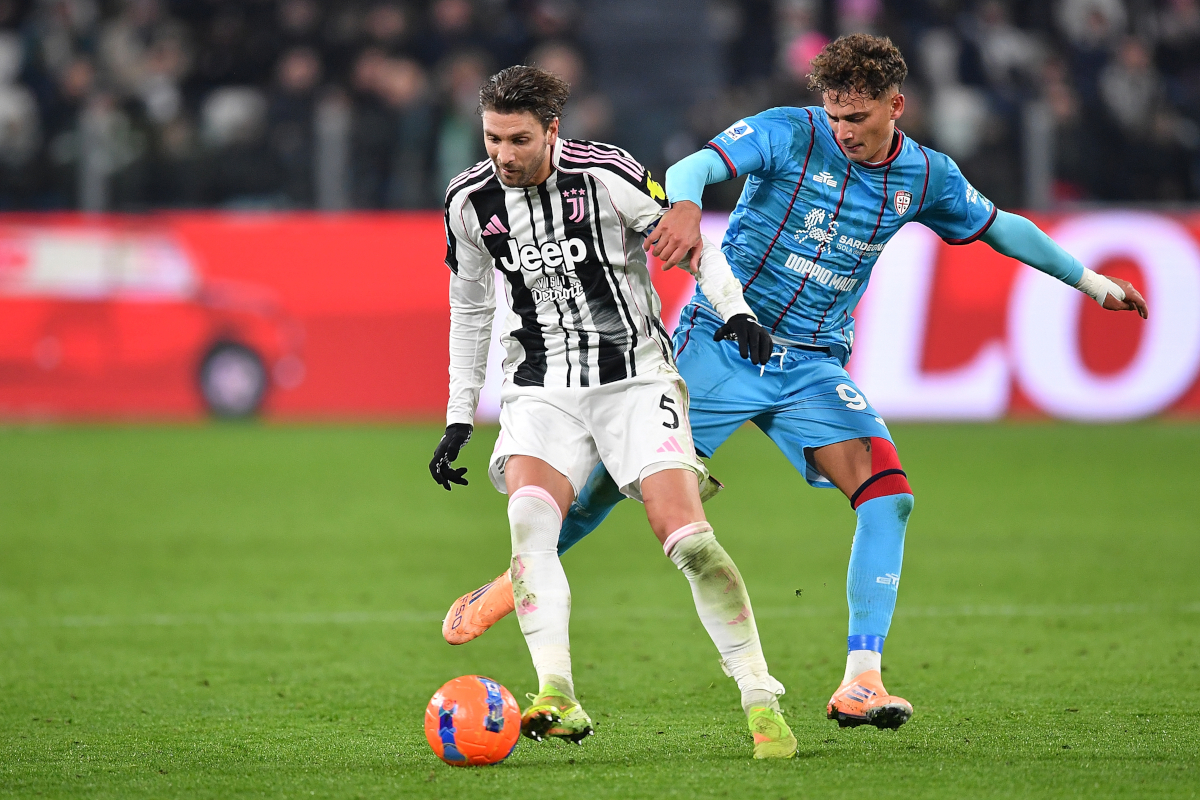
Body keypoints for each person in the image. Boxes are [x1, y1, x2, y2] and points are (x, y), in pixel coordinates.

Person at [438, 35, 1149, 732]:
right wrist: (685, 206)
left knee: (889, 497)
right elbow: (691, 167)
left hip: (811, 364)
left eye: (858, 118)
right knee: (605, 492)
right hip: (721, 343)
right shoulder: (787, 132)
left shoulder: (926, 176)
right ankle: (514, 579)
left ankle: (862, 679)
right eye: (834, 115)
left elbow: (999, 226)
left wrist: (1091, 282)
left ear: (896, 106)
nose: (843, 131)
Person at [429, 64, 797, 759]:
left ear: (552, 131)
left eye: (518, 139)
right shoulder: (468, 201)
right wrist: (458, 414)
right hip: (540, 387)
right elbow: (469, 307)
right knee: (530, 526)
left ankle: (760, 698)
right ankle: (557, 694)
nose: (503, 154)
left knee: (688, 540)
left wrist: (736, 311)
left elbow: (691, 246)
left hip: (634, 378)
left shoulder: (607, 175)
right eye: (492, 138)